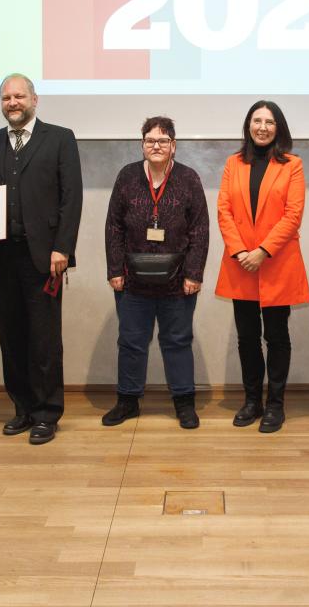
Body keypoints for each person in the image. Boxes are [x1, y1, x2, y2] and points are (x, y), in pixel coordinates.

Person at [0, 73, 82, 445]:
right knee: (12, 336)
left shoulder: (61, 139)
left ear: (34, 99)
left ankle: (47, 413)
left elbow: (72, 198)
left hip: (44, 257)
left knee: (45, 339)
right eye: (6, 98)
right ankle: (21, 409)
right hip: (2, 256)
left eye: (19, 96)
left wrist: (62, 248)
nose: (12, 103)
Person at [102, 117, 209, 429]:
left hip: (178, 282)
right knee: (131, 341)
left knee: (177, 340)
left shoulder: (189, 178)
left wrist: (194, 274)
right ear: (142, 145)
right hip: (132, 281)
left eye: (163, 141)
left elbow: (200, 229)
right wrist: (114, 269)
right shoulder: (127, 176)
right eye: (150, 140)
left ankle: (184, 403)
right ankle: (127, 401)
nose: (156, 146)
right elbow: (113, 226)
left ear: (173, 146)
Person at [216, 100, 309, 433]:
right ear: (248, 125)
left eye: (269, 122)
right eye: (257, 120)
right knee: (247, 338)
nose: (262, 127)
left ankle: (275, 405)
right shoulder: (233, 163)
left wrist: (263, 251)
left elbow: (293, 215)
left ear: (278, 127)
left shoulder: (292, 165)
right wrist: (242, 251)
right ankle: (252, 400)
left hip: (276, 264)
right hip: (241, 263)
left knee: (277, 336)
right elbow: (224, 211)